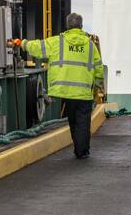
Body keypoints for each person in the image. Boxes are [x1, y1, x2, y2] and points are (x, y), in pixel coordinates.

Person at [14, 13, 105, 159]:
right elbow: (98, 67)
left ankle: (79, 148)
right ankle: (82, 150)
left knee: (73, 120)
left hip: (66, 91)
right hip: (84, 92)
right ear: (81, 26)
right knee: (83, 121)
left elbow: (37, 47)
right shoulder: (90, 45)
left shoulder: (57, 42)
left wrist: (22, 43)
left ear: (67, 26)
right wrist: (98, 87)